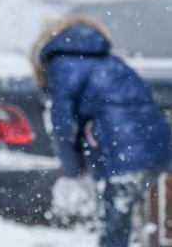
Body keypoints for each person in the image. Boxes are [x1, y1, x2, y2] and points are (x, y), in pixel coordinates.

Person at [30, 14, 172, 247]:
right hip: (154, 149)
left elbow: (63, 125)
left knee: (114, 229)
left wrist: (72, 171)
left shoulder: (62, 63)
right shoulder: (108, 60)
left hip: (122, 155)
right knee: (123, 221)